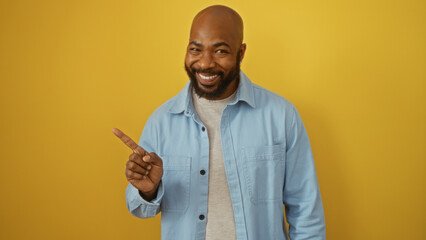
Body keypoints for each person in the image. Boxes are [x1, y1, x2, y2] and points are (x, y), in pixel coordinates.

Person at [113, 5, 326, 240]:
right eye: (195, 49)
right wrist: (148, 191)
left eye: (220, 51)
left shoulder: (281, 116)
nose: (205, 63)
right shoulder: (161, 122)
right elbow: (140, 209)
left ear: (241, 53)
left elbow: (306, 211)